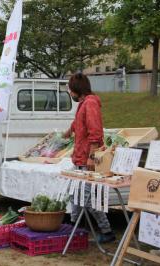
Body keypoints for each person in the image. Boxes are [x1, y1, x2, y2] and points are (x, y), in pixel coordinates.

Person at [65, 73, 116, 243]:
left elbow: (95, 133)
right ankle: (75, 228)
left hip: (87, 159)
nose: (69, 92)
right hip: (80, 158)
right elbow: (79, 122)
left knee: (87, 198)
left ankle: (106, 231)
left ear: (76, 89)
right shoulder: (83, 103)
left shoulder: (91, 103)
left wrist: (91, 157)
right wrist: (69, 131)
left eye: (70, 89)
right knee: (76, 196)